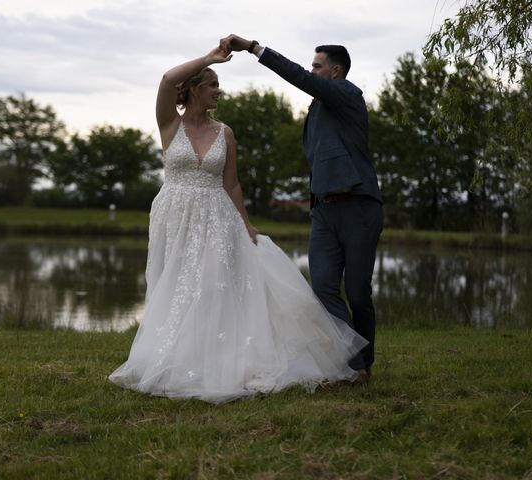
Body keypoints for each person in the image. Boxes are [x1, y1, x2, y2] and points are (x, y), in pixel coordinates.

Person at [108, 45, 368, 403]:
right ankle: (174, 358)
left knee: (212, 286)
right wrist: (210, 58)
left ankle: (219, 361)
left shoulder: (224, 132)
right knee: (176, 285)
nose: (218, 90)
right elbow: (168, 79)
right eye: (213, 84)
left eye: (218, 84)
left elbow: (231, 183)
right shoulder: (170, 124)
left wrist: (246, 225)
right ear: (195, 89)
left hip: (218, 217)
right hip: (174, 215)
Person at [220, 35, 383, 385]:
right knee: (323, 288)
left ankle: (364, 362)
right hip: (323, 211)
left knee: (357, 292)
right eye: (312, 65)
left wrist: (254, 48)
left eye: (317, 65)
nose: (312, 71)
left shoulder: (347, 95)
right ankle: (352, 365)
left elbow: (301, 79)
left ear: (335, 72)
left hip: (358, 207)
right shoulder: (320, 108)